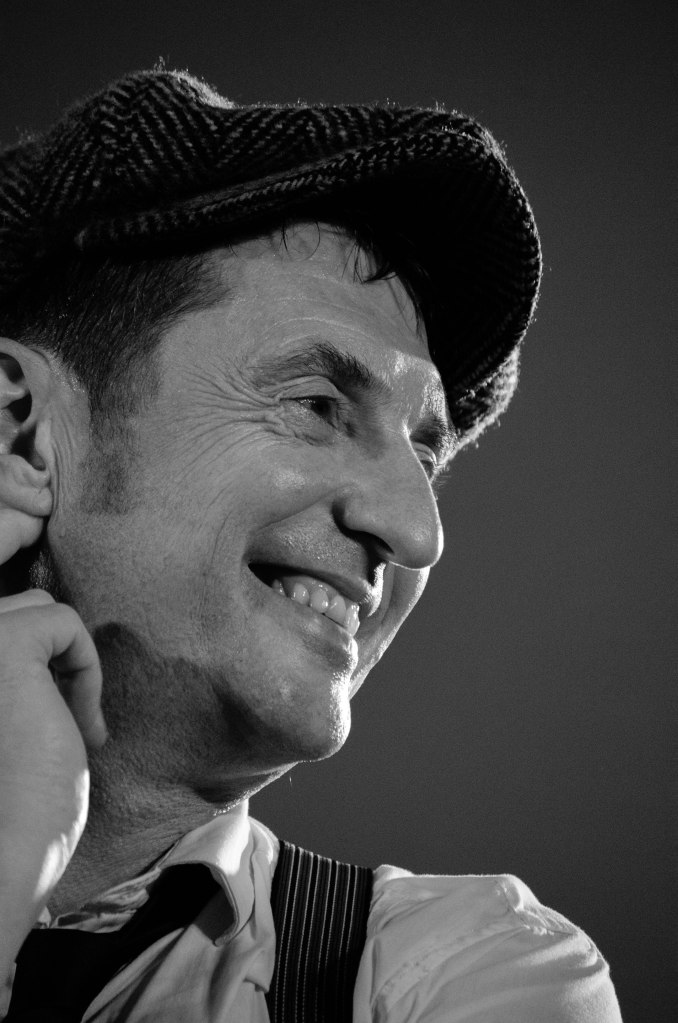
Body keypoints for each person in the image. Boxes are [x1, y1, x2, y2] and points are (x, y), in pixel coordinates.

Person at [0, 69, 622, 1021]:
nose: (417, 532)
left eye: (427, 458)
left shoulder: (461, 972)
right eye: (319, 405)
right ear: (20, 435)